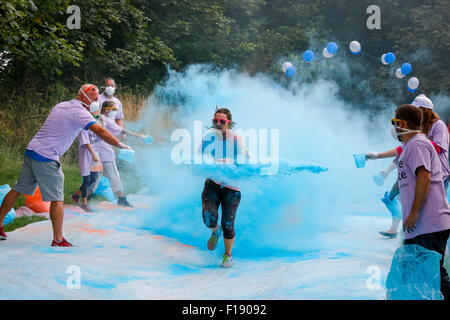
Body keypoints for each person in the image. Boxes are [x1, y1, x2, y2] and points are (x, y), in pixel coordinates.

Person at [0, 84, 132, 246]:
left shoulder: (62, 105)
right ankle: (58, 240)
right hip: (46, 157)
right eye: (96, 99)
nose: (98, 102)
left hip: (32, 150)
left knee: (18, 189)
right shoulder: (79, 113)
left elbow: (92, 122)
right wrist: (120, 145)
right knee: (57, 198)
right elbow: (101, 131)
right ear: (85, 97)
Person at [393, 104, 450, 299]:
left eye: (395, 123)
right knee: (413, 272)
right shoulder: (410, 147)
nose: (394, 128)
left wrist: (414, 212)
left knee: (433, 276)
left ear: (402, 123)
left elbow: (424, 177)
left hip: (429, 224)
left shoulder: (417, 144)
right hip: (419, 228)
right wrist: (393, 193)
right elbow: (406, 176)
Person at [199, 107, 249, 268]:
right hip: (212, 184)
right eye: (215, 121)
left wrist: (223, 163)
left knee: (228, 223)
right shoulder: (208, 138)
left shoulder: (236, 140)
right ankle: (215, 231)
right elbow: (199, 157)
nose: (218, 124)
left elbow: (242, 162)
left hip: (231, 188)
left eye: (222, 121)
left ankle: (228, 255)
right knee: (208, 218)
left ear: (229, 123)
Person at [90, 100, 145, 207]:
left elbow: (112, 132)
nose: (115, 111)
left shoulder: (100, 118)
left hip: (96, 152)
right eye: (113, 109)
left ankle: (83, 196)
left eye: (116, 109)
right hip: (105, 152)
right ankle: (121, 199)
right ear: (106, 109)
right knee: (113, 174)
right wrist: (139, 136)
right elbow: (123, 131)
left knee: (95, 176)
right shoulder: (106, 120)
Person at [71, 103, 104, 212]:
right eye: (98, 110)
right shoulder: (84, 125)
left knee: (94, 178)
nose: (99, 112)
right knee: (87, 179)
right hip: (87, 154)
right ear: (93, 111)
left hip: (96, 154)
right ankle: (84, 203)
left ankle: (76, 195)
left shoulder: (97, 123)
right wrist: (93, 154)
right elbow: (86, 142)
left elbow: (100, 137)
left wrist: (102, 124)